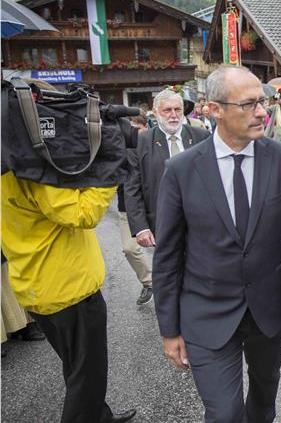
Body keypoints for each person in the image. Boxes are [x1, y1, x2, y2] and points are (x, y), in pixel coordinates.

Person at [153, 65, 281, 422]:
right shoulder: (182, 170)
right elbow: (167, 255)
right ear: (214, 109)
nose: (262, 112)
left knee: (264, 395)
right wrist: (169, 329)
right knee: (225, 413)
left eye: (262, 102)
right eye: (248, 104)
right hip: (206, 309)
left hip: (267, 308)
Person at [1, 173, 136, 422]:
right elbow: (83, 213)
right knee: (88, 375)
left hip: (39, 287)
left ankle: (100, 416)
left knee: (79, 368)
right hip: (68, 290)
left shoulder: (7, 170)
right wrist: (109, 174)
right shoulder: (33, 170)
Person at [124, 89, 209, 302]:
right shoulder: (140, 142)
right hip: (162, 222)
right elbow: (132, 187)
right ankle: (175, 313)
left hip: (202, 221)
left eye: (177, 110)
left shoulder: (202, 137)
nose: (173, 115)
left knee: (204, 273)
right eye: (167, 110)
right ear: (155, 112)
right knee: (172, 275)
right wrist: (140, 227)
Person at [116, 115, 155, 306]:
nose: (132, 134)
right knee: (129, 249)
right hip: (127, 208)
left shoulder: (156, 146)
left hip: (155, 206)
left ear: (145, 127)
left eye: (136, 129)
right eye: (128, 129)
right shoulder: (118, 149)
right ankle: (150, 282)